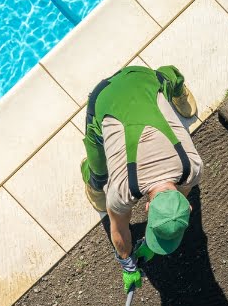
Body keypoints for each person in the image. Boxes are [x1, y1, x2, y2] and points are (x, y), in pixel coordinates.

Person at [80, 65, 202, 292]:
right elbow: (118, 229)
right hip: (106, 96)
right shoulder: (122, 190)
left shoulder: (193, 169)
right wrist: (127, 264)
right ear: (146, 208)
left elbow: (181, 193)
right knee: (99, 175)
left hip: (144, 80)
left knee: (166, 80)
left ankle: (176, 89)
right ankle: (90, 179)